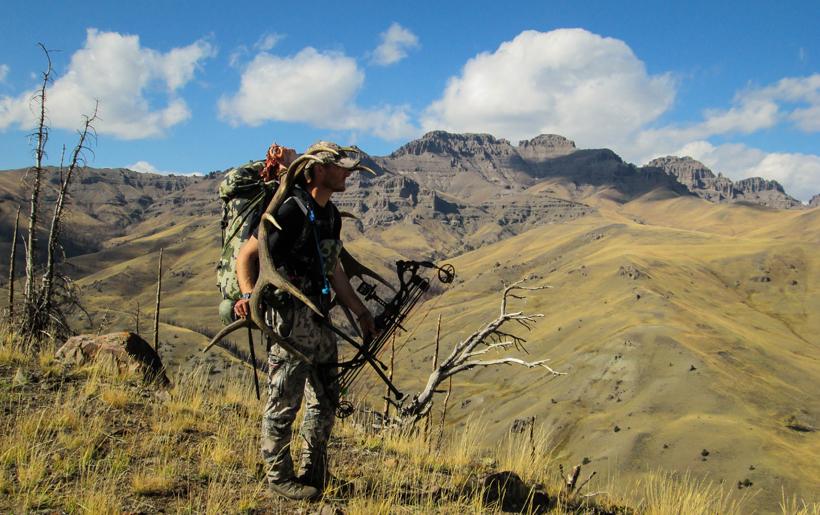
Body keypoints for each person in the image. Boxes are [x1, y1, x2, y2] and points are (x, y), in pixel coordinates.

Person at [233, 141, 377, 501]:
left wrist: (359, 313)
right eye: (340, 167)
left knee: (326, 396)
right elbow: (247, 256)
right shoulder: (289, 210)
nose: (347, 173)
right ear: (318, 171)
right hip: (288, 320)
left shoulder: (330, 215)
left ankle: (314, 471)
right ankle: (278, 477)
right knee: (284, 398)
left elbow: (334, 268)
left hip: (319, 317)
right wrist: (250, 297)